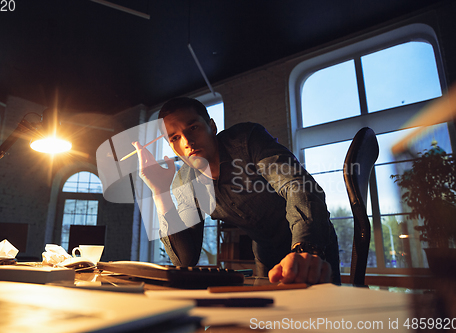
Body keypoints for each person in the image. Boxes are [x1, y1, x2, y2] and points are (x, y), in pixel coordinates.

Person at [133, 97, 341, 285]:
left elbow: (297, 184)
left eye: (193, 127)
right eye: (175, 138)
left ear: (211, 126)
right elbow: (185, 259)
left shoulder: (247, 140)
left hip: (311, 242)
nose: (187, 142)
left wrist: (305, 248)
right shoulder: (185, 182)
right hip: (266, 256)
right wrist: (160, 192)